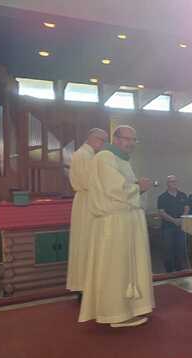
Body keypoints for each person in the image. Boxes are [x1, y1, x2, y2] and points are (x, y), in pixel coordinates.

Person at [79, 125, 154, 328]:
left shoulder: (121, 160)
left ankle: (130, 308)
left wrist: (137, 186)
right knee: (116, 269)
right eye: (127, 139)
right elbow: (114, 189)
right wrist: (139, 187)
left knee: (124, 268)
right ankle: (116, 314)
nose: (131, 143)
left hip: (125, 220)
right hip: (114, 223)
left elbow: (123, 187)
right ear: (116, 138)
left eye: (134, 140)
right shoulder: (105, 157)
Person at [66, 128, 107, 295]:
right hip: (87, 202)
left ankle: (89, 286)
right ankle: (84, 287)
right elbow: (87, 181)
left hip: (89, 200)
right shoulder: (83, 155)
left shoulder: (89, 155)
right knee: (85, 243)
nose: (103, 144)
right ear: (92, 138)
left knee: (90, 243)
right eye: (101, 140)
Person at [157, 175, 188, 273]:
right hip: (168, 228)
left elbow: (186, 208)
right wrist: (174, 220)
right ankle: (169, 272)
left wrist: (182, 218)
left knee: (180, 249)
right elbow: (161, 212)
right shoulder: (162, 197)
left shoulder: (183, 195)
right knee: (168, 250)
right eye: (171, 181)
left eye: (175, 181)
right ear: (167, 184)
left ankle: (180, 270)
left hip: (181, 227)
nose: (173, 183)